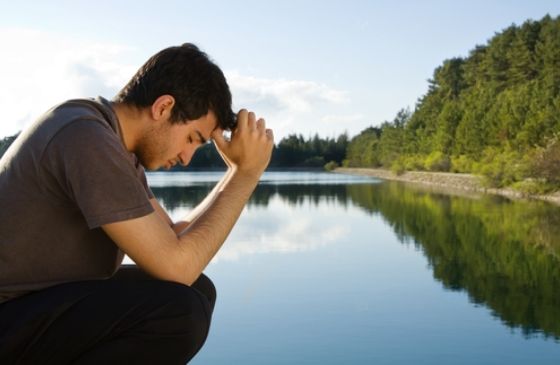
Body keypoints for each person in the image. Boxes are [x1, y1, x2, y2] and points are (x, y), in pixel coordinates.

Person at [0, 43, 274, 364]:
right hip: (9, 312)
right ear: (163, 107)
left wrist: (237, 174)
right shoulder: (85, 136)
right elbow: (176, 267)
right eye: (192, 139)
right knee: (177, 313)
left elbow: (174, 239)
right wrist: (245, 177)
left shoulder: (112, 144)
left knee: (197, 290)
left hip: (28, 309)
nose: (187, 158)